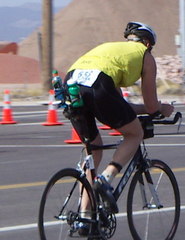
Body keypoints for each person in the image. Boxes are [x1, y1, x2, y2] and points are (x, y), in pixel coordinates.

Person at [63, 21, 174, 234]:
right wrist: (163, 108)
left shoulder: (110, 51)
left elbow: (119, 105)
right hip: (98, 85)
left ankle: (85, 218)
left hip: (72, 83)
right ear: (148, 43)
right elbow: (151, 106)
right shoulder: (145, 56)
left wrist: (142, 110)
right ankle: (106, 179)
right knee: (135, 133)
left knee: (93, 150)